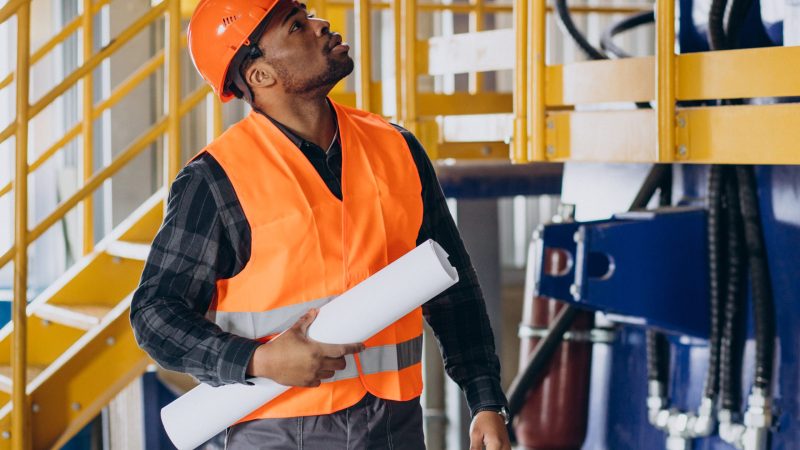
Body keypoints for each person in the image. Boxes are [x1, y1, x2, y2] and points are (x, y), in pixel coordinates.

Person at [129, 0, 510, 448]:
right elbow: (154, 315)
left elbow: (454, 288)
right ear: (260, 76)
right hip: (280, 431)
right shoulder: (216, 179)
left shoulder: (397, 148)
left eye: (306, 14)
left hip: (395, 426)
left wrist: (485, 399)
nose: (320, 24)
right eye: (296, 26)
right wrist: (258, 360)